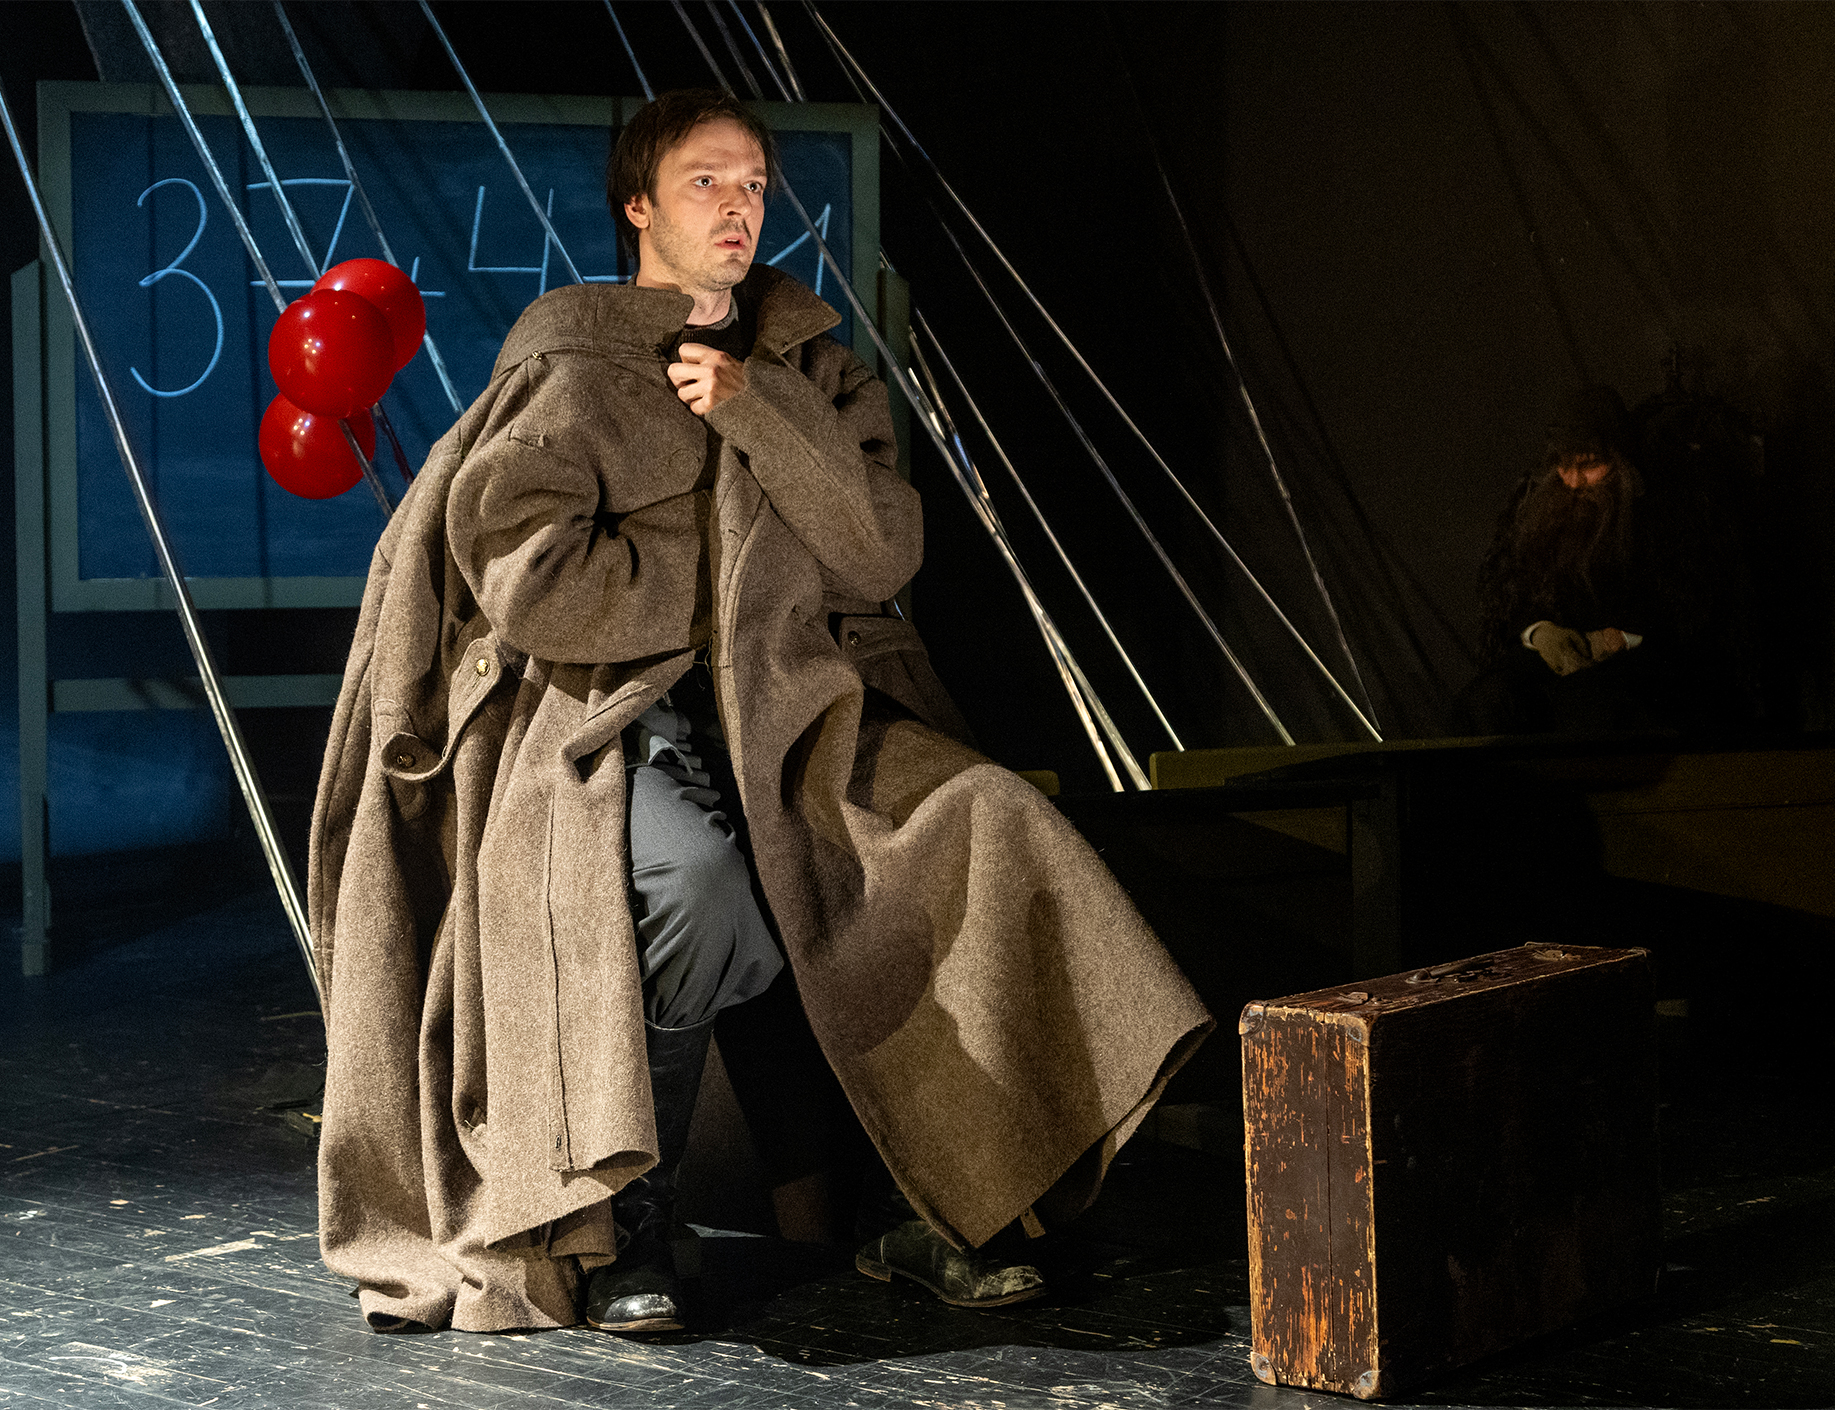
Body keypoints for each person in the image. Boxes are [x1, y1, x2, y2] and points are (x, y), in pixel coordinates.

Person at [307, 89, 1211, 1337]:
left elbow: (878, 552)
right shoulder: (569, 365)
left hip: (800, 710)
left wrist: (754, 410)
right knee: (693, 891)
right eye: (705, 183)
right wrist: (714, 597)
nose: (737, 209)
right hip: (615, 718)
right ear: (638, 204)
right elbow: (531, 576)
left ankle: (949, 1207)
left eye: (752, 187)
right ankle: (625, 1219)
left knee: (986, 823)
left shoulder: (814, 368)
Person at [1454, 384, 1747, 735]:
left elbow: (1686, 622)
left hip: (1637, 678)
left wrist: (1620, 638)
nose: (1574, 482)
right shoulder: (1538, 513)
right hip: (1552, 673)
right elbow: (1514, 596)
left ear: (1619, 460)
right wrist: (1538, 632)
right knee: (1486, 703)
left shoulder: (1665, 523)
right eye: (1564, 466)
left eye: (1589, 465)